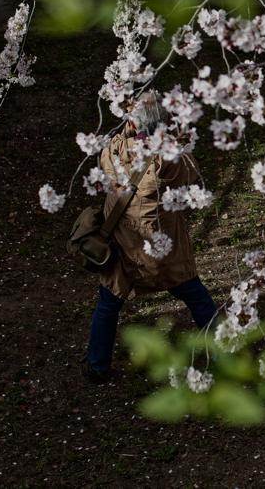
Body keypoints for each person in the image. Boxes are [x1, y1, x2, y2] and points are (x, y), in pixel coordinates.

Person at [83, 92, 217, 384]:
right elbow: (190, 176)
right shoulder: (170, 160)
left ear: (132, 121)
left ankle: (97, 366)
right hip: (159, 250)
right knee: (196, 296)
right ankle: (222, 354)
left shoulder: (114, 150)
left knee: (108, 303)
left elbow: (121, 136)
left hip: (119, 245)